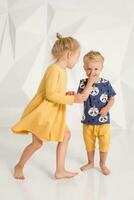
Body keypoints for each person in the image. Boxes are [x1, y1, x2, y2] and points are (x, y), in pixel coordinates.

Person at [11, 33, 87, 180]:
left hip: (53, 113)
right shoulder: (53, 70)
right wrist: (72, 98)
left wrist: (67, 94)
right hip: (44, 113)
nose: (77, 61)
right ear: (69, 54)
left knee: (65, 135)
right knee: (37, 143)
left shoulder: (62, 71)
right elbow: (50, 95)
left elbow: (56, 92)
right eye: (77, 57)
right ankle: (19, 165)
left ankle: (60, 170)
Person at [77, 50, 116, 175]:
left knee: (104, 144)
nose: (92, 72)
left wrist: (106, 109)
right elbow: (81, 97)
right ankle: (90, 162)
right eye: (89, 69)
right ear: (84, 68)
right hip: (88, 121)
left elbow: (112, 98)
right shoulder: (83, 83)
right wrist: (90, 83)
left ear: (101, 68)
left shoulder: (106, 84)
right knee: (89, 144)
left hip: (103, 121)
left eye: (96, 69)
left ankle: (103, 164)